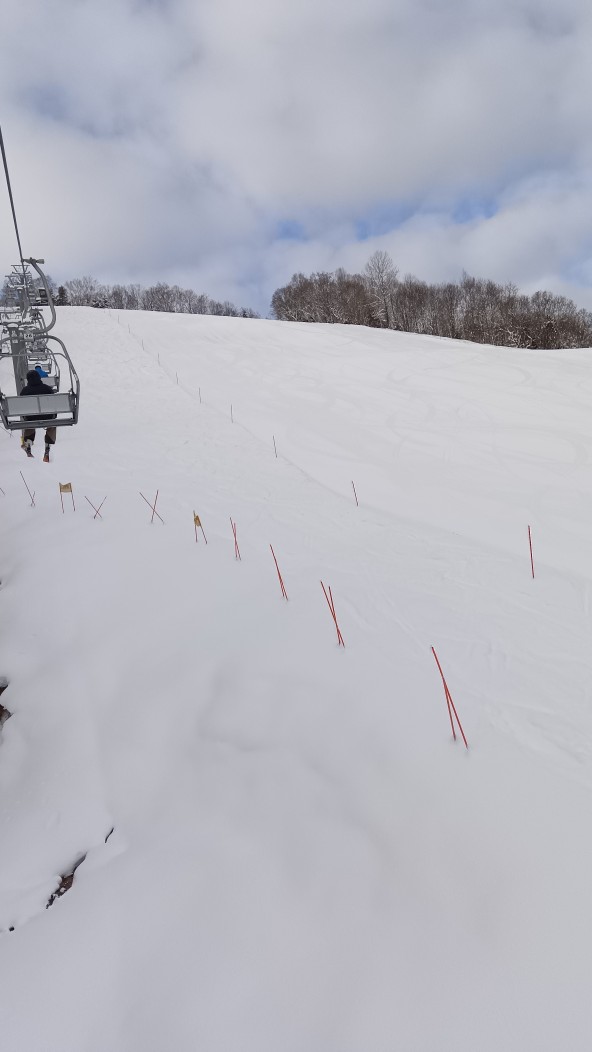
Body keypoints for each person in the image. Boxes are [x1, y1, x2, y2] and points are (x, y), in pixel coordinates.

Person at [20, 369, 57, 461]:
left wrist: (25, 416)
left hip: (31, 417)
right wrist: (53, 415)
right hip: (47, 416)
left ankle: (28, 444)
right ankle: (48, 446)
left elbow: (21, 406)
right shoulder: (47, 388)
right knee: (52, 424)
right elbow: (54, 404)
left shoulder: (25, 391)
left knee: (29, 422)